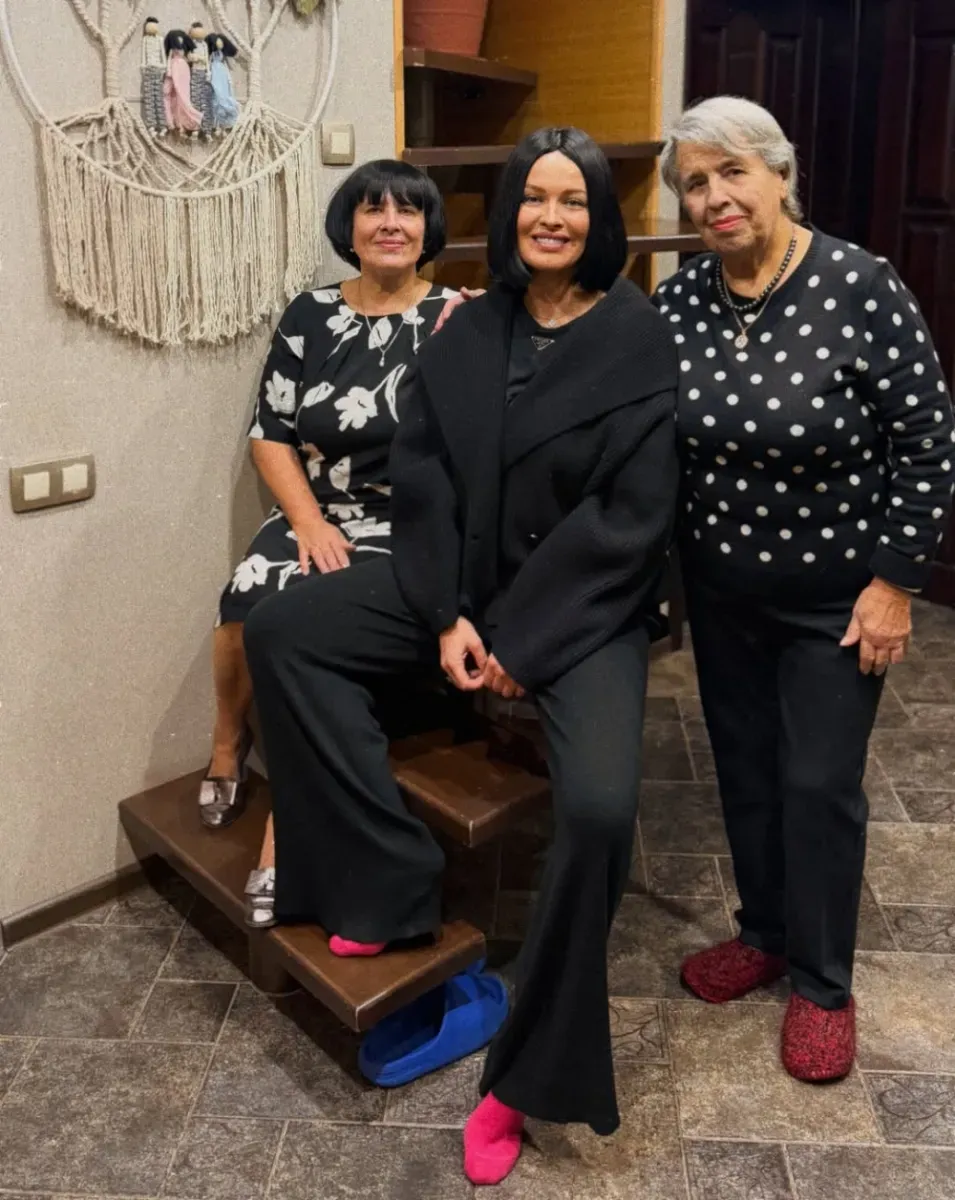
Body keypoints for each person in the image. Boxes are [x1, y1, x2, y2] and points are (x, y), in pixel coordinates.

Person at [243, 127, 679, 1184]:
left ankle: (525, 1078)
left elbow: (626, 522)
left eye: (572, 200)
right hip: (459, 593)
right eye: (533, 196)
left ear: (599, 218)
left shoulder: (637, 335)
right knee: (284, 630)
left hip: (582, 612)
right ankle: (385, 881)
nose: (550, 217)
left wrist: (523, 641)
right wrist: (444, 614)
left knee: (598, 812)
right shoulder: (471, 326)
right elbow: (424, 474)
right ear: (508, 210)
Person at [655, 96, 955, 1081]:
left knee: (817, 784)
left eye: (732, 172)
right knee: (743, 771)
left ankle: (823, 984)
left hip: (836, 602)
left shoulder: (859, 285)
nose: (714, 197)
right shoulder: (680, 302)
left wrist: (894, 583)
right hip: (722, 594)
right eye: (694, 183)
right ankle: (766, 933)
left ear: (779, 176)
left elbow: (927, 440)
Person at [198, 158, 452, 931]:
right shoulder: (309, 315)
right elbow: (269, 433)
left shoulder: (456, 318)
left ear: (427, 229)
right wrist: (306, 522)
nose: (390, 224)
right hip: (319, 507)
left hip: (407, 524)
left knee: (308, 627)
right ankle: (226, 742)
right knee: (246, 599)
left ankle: (286, 828)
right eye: (373, 209)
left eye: (407, 211)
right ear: (350, 227)